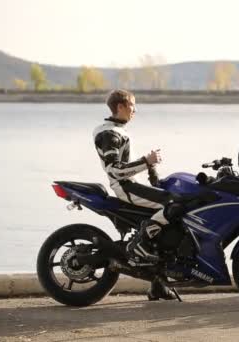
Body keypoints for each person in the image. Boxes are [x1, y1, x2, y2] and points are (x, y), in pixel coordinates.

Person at [92, 89, 176, 300]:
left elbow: (124, 165)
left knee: (171, 205)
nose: (135, 110)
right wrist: (145, 161)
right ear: (120, 107)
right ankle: (139, 244)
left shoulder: (118, 130)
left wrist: (151, 169)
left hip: (130, 183)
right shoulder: (109, 133)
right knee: (172, 204)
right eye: (132, 106)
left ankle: (158, 284)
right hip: (124, 187)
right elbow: (114, 169)